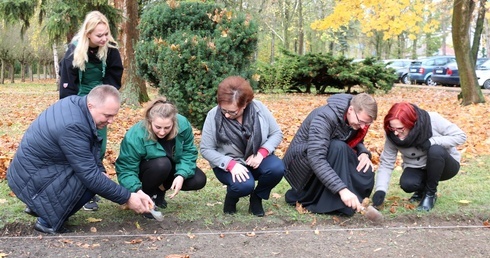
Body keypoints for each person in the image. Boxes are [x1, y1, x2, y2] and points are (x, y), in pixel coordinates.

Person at [7, 85, 153, 234]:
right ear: (91, 105)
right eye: (107, 115)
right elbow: (89, 176)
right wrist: (127, 198)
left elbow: (89, 150)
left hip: (34, 169)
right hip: (31, 176)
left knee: (98, 177)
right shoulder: (74, 125)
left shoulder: (77, 105)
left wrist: (132, 189)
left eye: (114, 115)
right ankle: (47, 222)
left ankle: (40, 206)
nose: (111, 121)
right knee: (90, 184)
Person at [58, 10, 124, 211]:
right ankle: (73, 191)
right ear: (88, 34)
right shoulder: (74, 51)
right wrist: (70, 109)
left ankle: (91, 191)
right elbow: (67, 84)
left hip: (100, 100)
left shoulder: (110, 49)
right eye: (99, 35)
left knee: (98, 147)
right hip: (78, 100)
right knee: (78, 146)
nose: (104, 38)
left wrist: (105, 99)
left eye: (106, 34)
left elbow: (114, 75)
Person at [200, 76, 285, 217]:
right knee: (244, 186)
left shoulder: (259, 108)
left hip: (256, 158)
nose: (226, 115)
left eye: (232, 112)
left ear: (245, 104)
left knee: (277, 169)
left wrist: (262, 153)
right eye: (224, 110)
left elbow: (276, 133)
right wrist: (230, 164)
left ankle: (257, 198)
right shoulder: (213, 115)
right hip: (228, 162)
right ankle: (232, 197)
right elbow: (206, 149)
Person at [283, 93, 378, 216]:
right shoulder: (324, 117)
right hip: (303, 163)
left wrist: (363, 153)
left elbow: (355, 139)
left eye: (367, 124)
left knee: (366, 172)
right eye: (361, 122)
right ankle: (322, 199)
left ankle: (353, 200)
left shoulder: (354, 119)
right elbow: (316, 158)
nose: (363, 127)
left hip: (333, 154)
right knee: (337, 147)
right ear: (350, 110)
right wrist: (342, 189)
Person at [115, 97, 207, 218]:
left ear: (174, 122)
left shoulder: (183, 125)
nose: (162, 132)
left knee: (198, 179)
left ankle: (160, 190)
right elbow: (126, 169)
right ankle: (147, 198)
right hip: (147, 171)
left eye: (167, 127)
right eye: (158, 127)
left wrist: (181, 175)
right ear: (149, 121)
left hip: (169, 168)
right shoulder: (136, 135)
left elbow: (188, 152)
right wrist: (136, 190)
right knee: (162, 164)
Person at [372, 102, 466, 211]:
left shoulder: (432, 120)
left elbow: (461, 136)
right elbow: (386, 164)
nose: (396, 133)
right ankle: (421, 191)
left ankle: (430, 194)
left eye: (400, 128)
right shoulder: (392, 134)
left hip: (443, 164)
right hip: (417, 166)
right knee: (407, 184)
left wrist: (432, 142)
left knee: (435, 150)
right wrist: (380, 190)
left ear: (412, 123)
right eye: (393, 129)